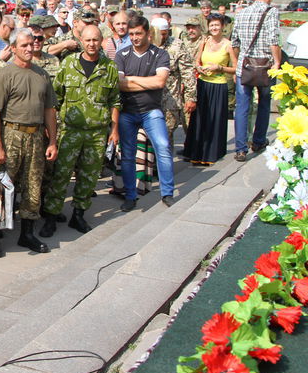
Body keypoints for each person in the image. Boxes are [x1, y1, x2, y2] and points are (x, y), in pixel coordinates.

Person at [40, 24, 120, 236]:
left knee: (89, 176)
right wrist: (52, 130)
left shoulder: (109, 68)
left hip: (96, 133)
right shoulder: (68, 64)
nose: (92, 44)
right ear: (81, 41)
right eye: (88, 40)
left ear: (101, 41)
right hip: (70, 131)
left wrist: (114, 129)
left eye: (95, 40)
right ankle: (51, 216)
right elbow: (55, 98)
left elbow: (115, 101)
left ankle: (78, 215)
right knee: (61, 174)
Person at [0, 29, 58, 255]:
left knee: (33, 185)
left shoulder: (42, 75)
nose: (30, 48)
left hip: (36, 135)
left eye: (33, 43)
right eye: (25, 45)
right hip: (11, 134)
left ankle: (27, 233)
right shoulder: (5, 74)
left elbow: (49, 110)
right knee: (1, 184)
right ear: (15, 48)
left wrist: (52, 141)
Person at [115, 15, 175, 211]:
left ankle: (167, 192)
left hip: (151, 111)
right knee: (128, 155)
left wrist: (131, 80)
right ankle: (130, 195)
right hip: (128, 112)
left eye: (138, 33)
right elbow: (119, 85)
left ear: (148, 33)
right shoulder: (121, 55)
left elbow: (159, 82)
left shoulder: (160, 55)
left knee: (163, 147)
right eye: (131, 34)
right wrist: (144, 81)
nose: (134, 38)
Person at [231, 0, 281, 162]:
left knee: (242, 107)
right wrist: (277, 62)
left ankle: (240, 148)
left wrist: (237, 63)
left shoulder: (242, 12)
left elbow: (234, 42)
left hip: (244, 67)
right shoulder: (271, 11)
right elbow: (273, 39)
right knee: (264, 104)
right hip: (264, 66)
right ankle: (258, 140)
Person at [183, 13, 237, 165]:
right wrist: (199, 68)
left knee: (214, 120)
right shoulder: (204, 42)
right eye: (211, 25)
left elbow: (236, 68)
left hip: (219, 86)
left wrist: (220, 68)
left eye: (217, 25)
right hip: (202, 84)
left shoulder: (228, 45)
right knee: (199, 119)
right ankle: (195, 152)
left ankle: (211, 153)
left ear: (223, 27)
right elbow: (196, 60)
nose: (214, 28)